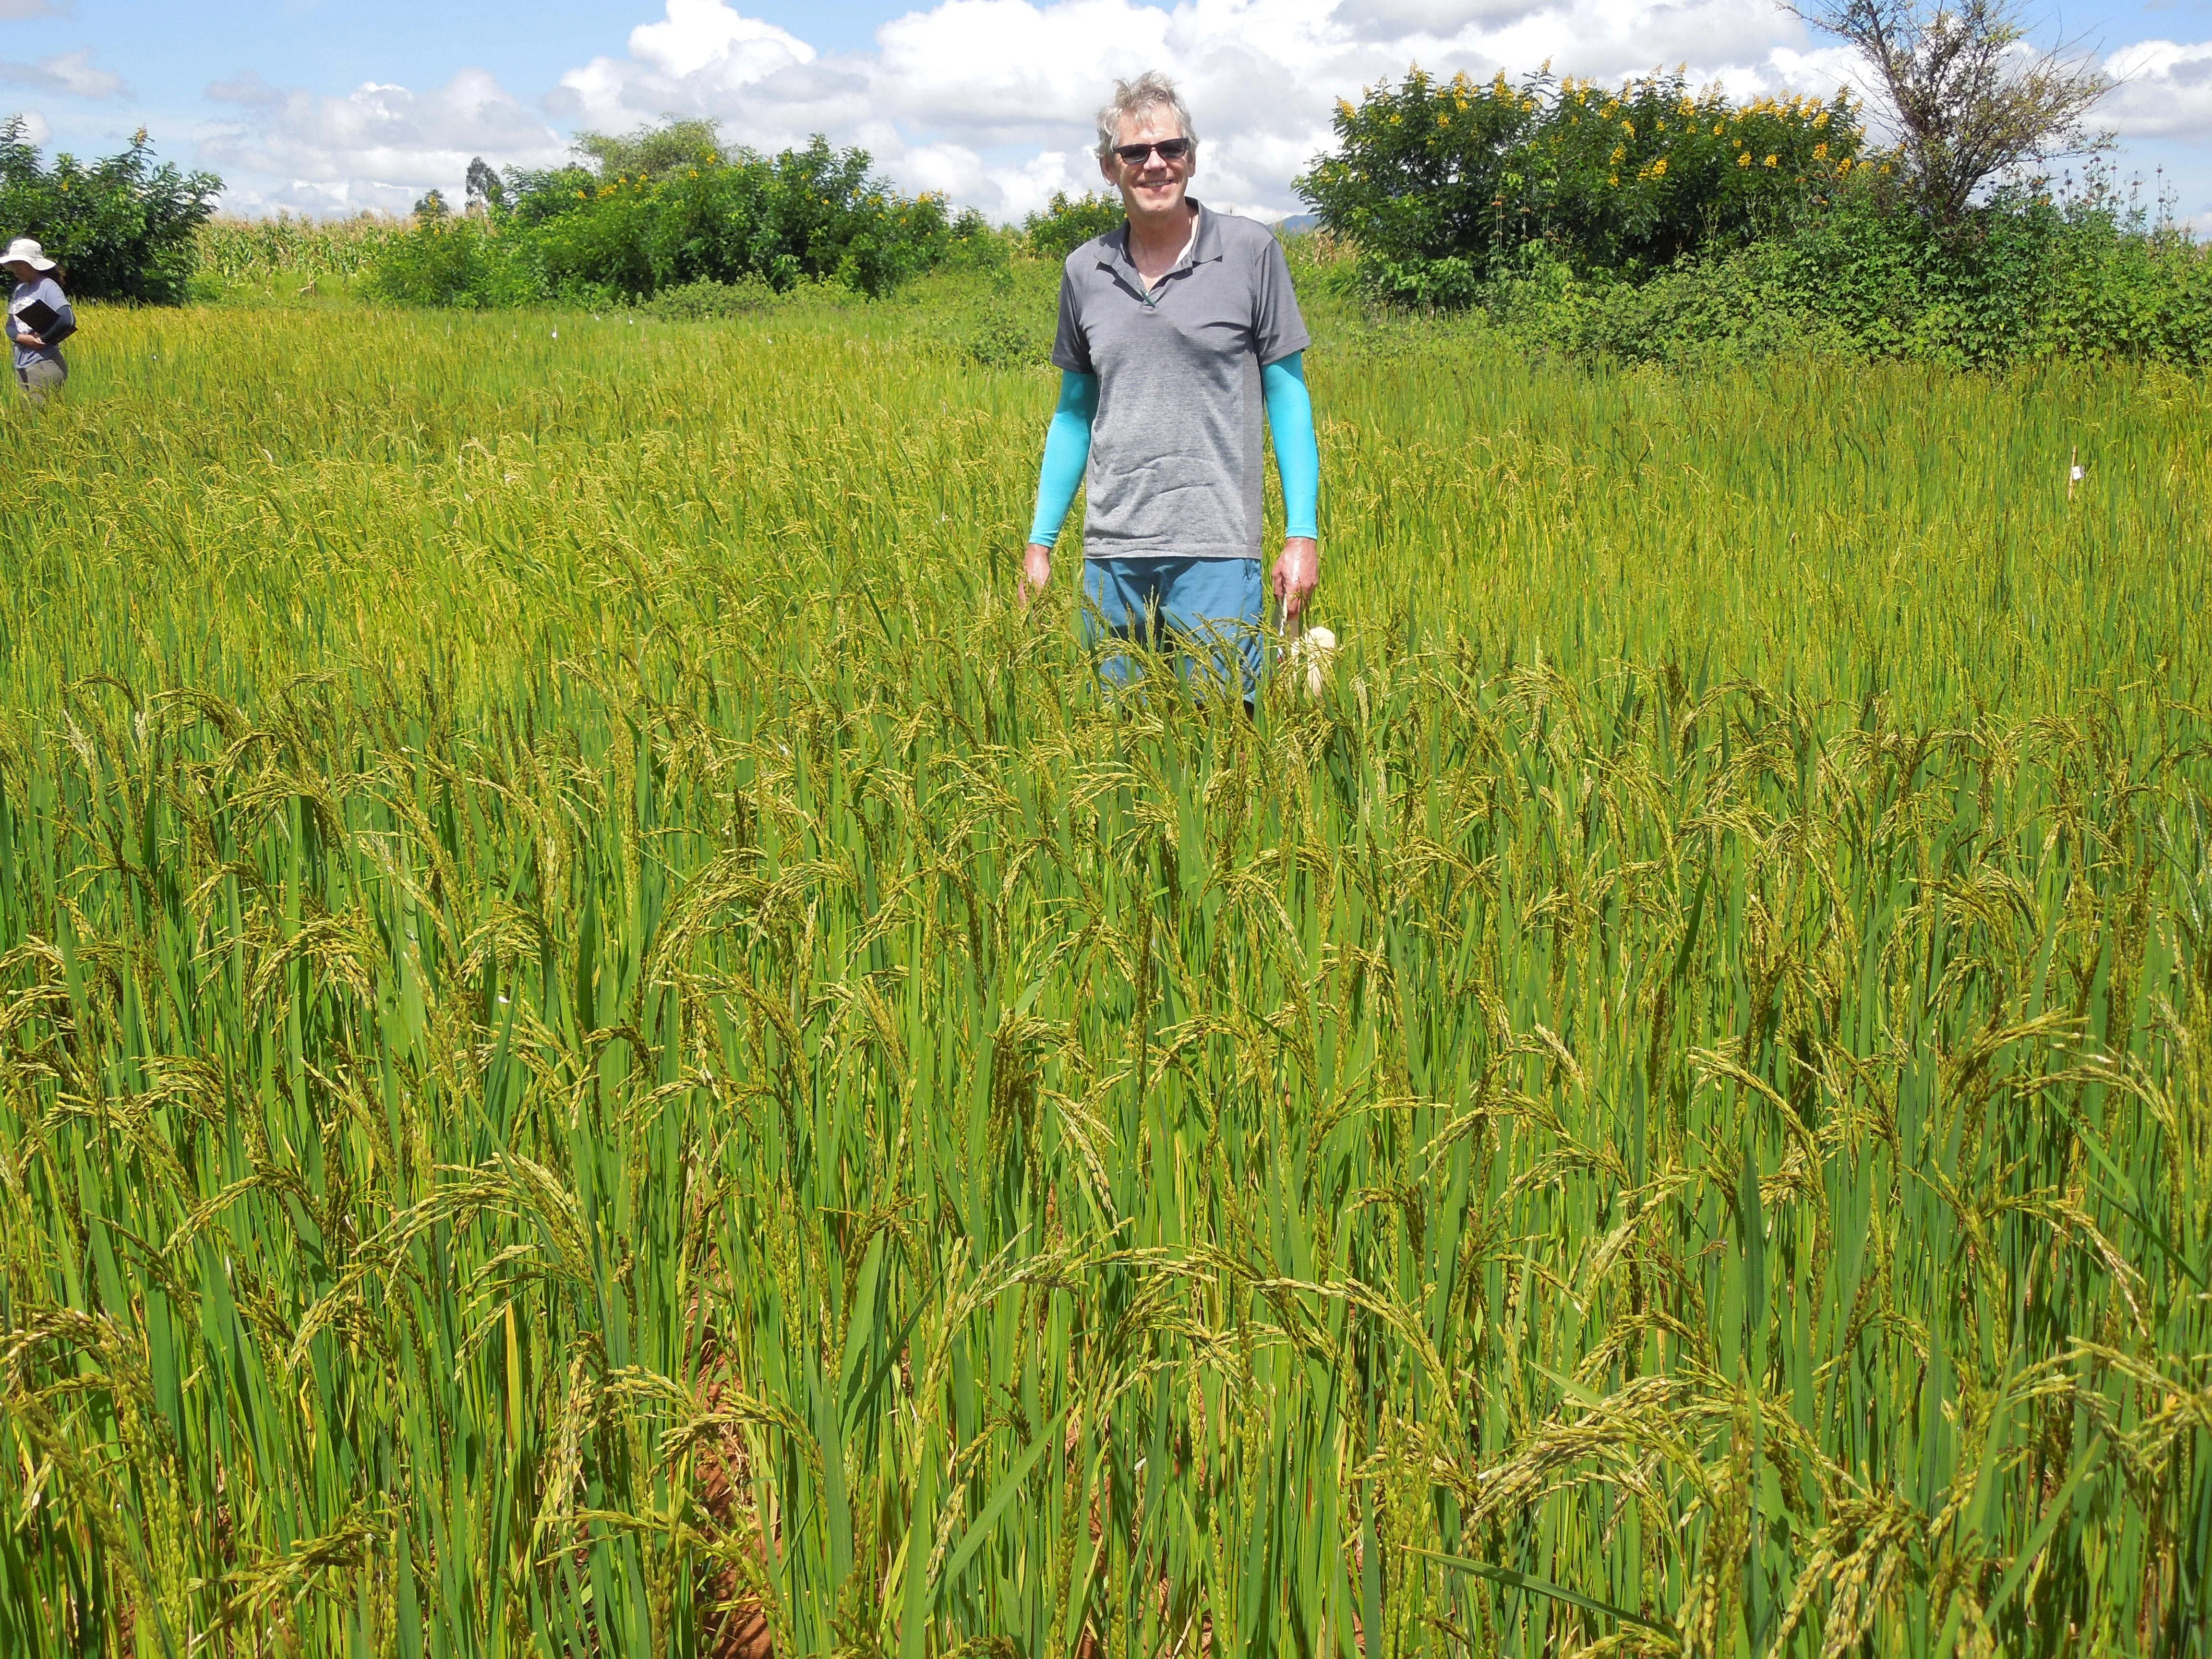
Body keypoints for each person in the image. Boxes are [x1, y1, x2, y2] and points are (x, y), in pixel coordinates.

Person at [1020, 72, 1321, 705]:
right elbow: (1074, 414)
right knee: (1118, 742)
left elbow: (1288, 395)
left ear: (1191, 156)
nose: (1156, 165)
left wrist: (1302, 537)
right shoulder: (1085, 270)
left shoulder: (1249, 252)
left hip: (1217, 551)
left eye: (1171, 149)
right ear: (1110, 167)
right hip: (1112, 556)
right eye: (1136, 152)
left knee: (1223, 741)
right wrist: (1041, 543)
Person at [4, 238, 74, 404]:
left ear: (32, 264)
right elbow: (10, 326)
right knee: (27, 421)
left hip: (44, 364)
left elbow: (67, 319)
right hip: (22, 364)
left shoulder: (48, 286)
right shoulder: (20, 290)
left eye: (18, 263)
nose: (15, 269)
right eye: (13, 264)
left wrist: (43, 340)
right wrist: (22, 338)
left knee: (41, 421)